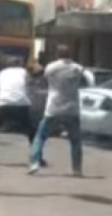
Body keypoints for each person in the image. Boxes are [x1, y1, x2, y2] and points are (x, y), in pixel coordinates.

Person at [28, 46, 91, 177]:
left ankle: (34, 163)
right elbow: (89, 76)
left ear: (58, 54)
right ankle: (77, 169)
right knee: (75, 141)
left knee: (40, 137)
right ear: (70, 54)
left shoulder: (51, 67)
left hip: (53, 108)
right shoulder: (77, 68)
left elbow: (39, 74)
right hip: (72, 109)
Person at [0, 57, 46, 167]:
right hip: (22, 106)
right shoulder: (24, 72)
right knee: (32, 132)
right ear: (19, 64)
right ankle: (38, 158)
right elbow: (38, 72)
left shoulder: (1, 73)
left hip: (4, 105)